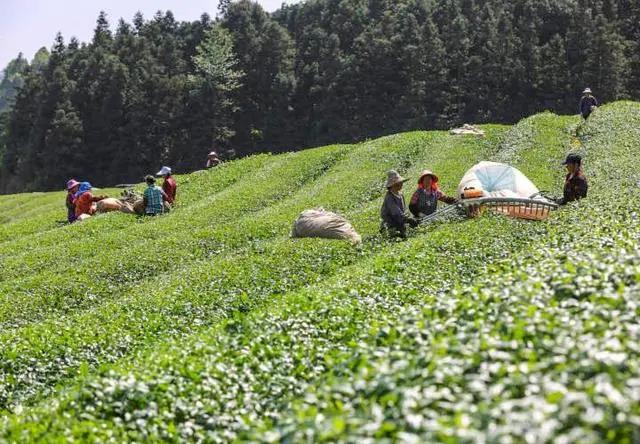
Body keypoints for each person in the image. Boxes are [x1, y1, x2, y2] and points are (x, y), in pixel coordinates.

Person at [380, 170, 418, 238]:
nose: (401, 184)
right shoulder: (389, 197)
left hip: (400, 222)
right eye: (399, 183)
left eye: (401, 182)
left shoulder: (400, 194)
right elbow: (396, 213)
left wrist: (409, 217)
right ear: (393, 185)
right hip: (390, 225)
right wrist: (408, 219)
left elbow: (403, 210)